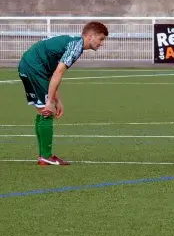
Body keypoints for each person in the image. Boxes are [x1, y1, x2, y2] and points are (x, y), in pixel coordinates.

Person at [17, 21, 109, 165]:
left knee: (42, 110)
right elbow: (58, 73)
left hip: (29, 65)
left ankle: (43, 156)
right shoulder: (76, 46)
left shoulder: (72, 42)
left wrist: (56, 100)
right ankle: (46, 156)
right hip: (34, 67)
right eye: (101, 38)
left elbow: (52, 73)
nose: (102, 43)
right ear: (91, 36)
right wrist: (50, 102)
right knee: (46, 110)